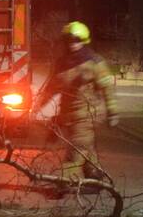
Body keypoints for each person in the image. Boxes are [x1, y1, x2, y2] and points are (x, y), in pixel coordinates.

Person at [34, 21, 118, 180]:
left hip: (88, 115)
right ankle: (94, 176)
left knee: (76, 150)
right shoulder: (62, 63)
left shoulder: (94, 63)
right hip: (69, 116)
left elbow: (107, 88)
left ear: (84, 41)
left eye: (77, 40)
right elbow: (51, 88)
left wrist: (112, 112)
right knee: (85, 147)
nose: (73, 44)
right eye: (69, 40)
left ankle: (65, 182)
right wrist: (37, 107)